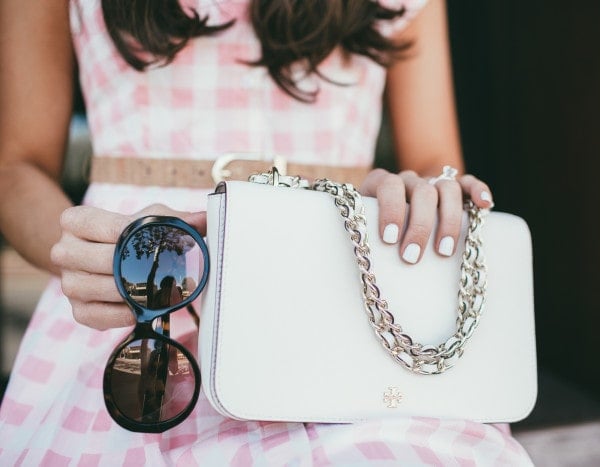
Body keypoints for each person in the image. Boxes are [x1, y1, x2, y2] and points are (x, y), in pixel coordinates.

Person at [0, 0, 533, 464]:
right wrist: (78, 250)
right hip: (144, 280)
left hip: (344, 282)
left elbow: (434, 162)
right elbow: (15, 169)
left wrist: (418, 195)